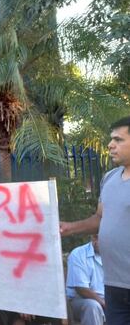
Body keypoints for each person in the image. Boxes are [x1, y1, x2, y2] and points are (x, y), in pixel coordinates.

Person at [61, 116, 130, 325]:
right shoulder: (109, 178)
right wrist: (68, 228)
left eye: (118, 140)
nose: (110, 145)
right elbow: (100, 218)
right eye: (111, 139)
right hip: (114, 284)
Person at [66, 235, 105, 325]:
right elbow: (81, 289)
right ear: (94, 238)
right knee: (92, 306)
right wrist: (104, 303)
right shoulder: (78, 253)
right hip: (81, 300)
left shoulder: (115, 254)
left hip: (110, 300)